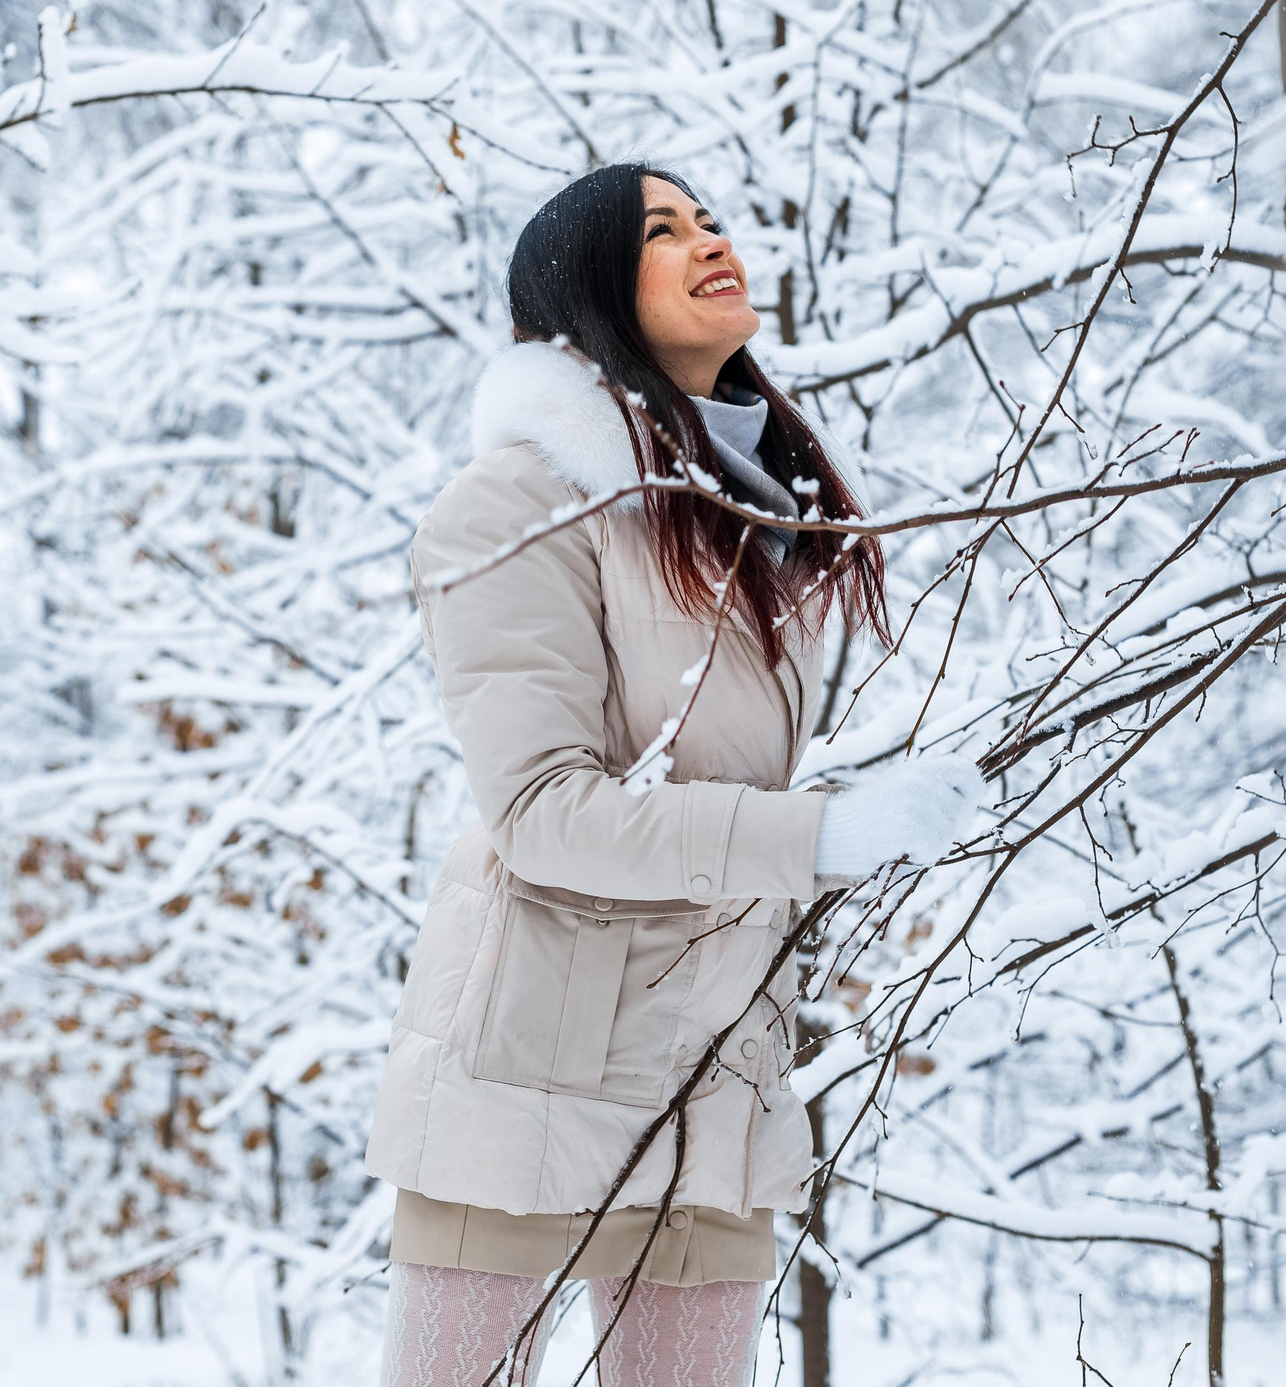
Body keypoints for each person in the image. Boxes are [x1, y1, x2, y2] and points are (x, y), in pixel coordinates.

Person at [369, 164, 984, 1387]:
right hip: (525, 1075)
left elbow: (723, 778)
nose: (710, 241)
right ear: (590, 290)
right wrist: (817, 836)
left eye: (708, 218)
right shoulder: (520, 505)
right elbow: (543, 815)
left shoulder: (760, 525)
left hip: (719, 1073)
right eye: (663, 230)